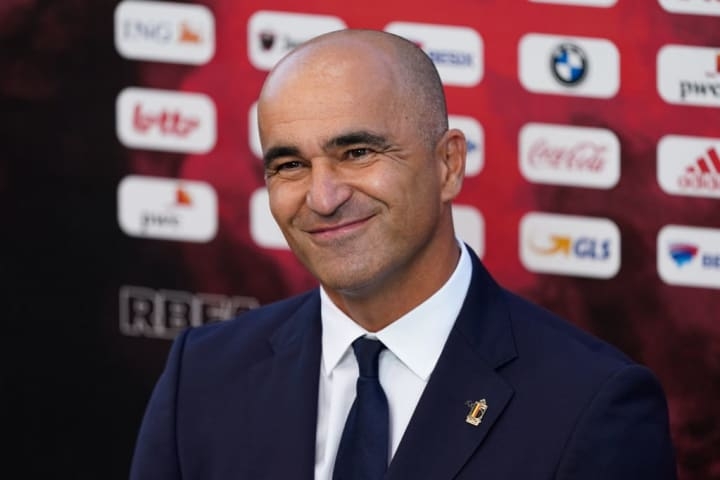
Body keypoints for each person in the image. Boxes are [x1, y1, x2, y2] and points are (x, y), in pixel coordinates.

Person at [129, 29, 677, 479]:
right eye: (290, 165)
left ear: (448, 165)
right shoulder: (203, 374)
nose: (323, 197)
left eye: (357, 152)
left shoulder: (590, 404)